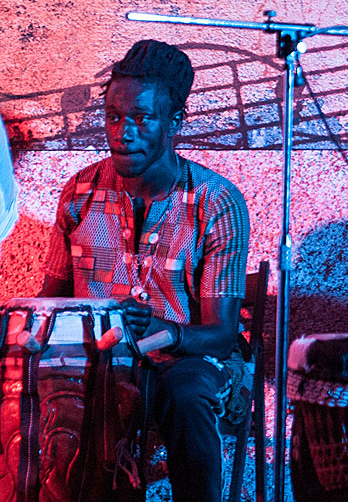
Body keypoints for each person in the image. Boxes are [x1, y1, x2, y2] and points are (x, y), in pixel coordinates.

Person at [40, 40, 250, 502]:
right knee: (43, 395)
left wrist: (163, 331)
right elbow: (48, 302)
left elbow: (221, 335)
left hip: (187, 360)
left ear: (174, 122)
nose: (123, 133)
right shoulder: (80, 191)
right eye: (114, 117)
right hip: (97, 360)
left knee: (189, 395)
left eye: (141, 118)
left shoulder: (216, 201)